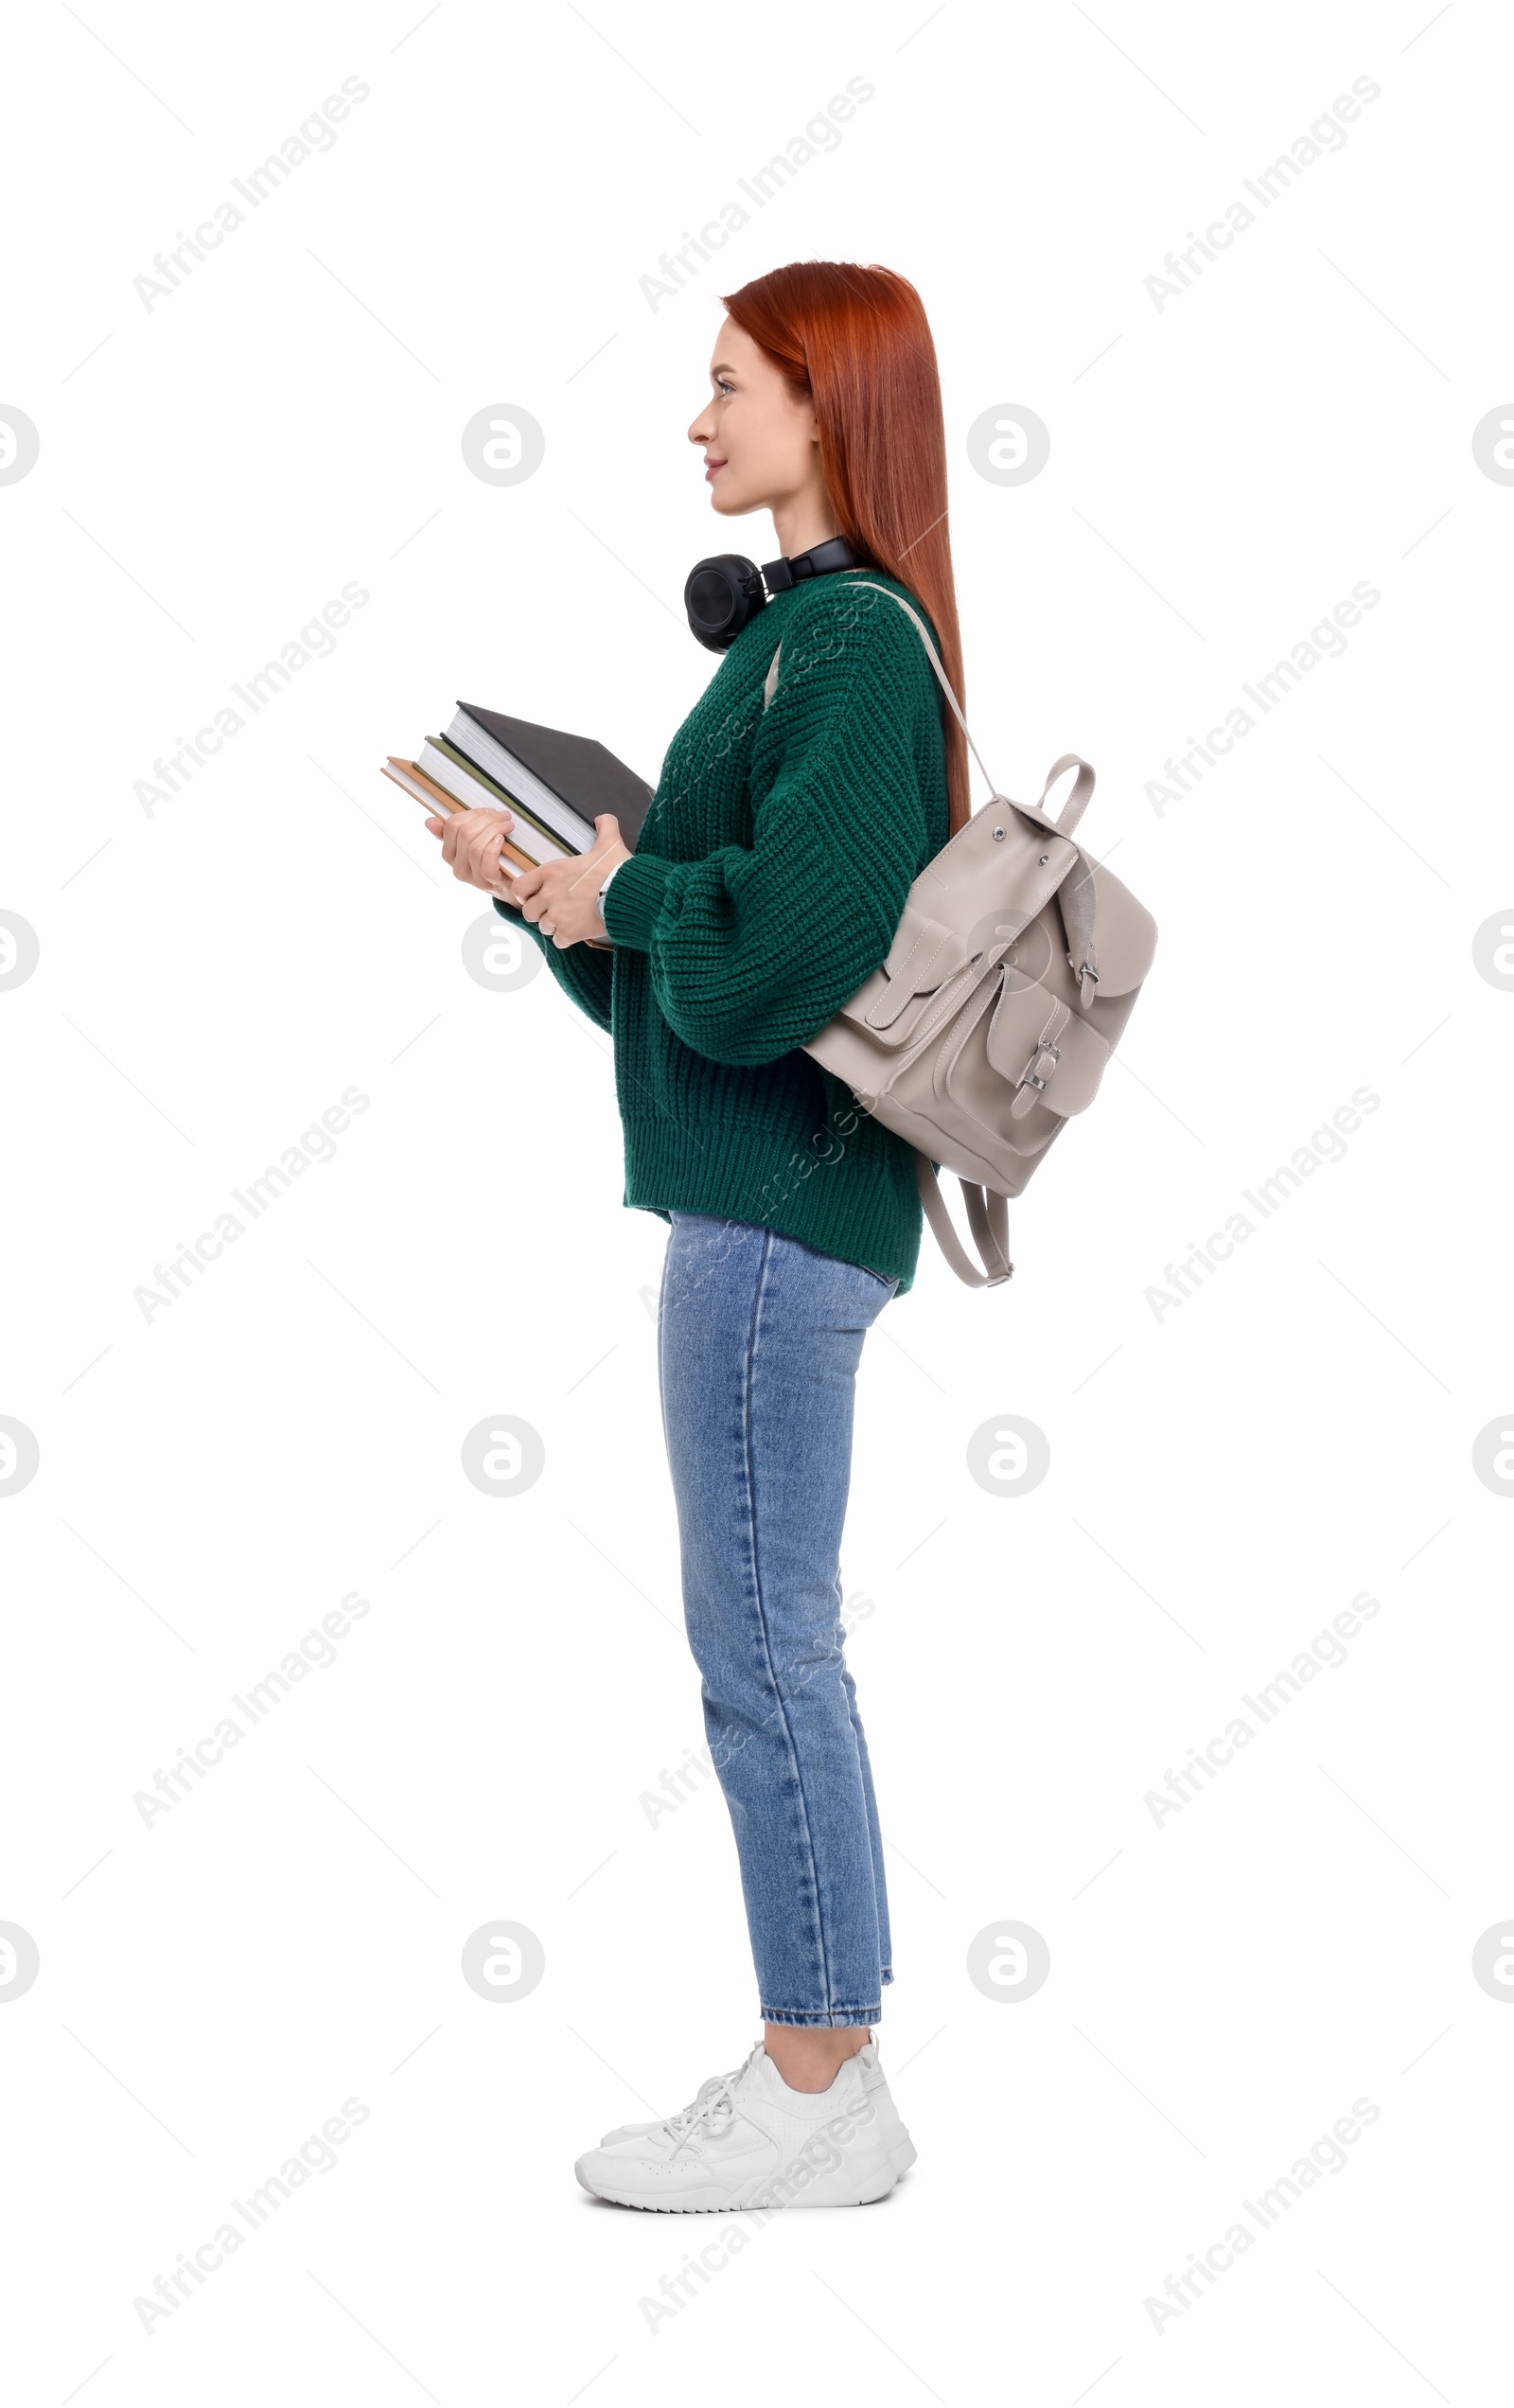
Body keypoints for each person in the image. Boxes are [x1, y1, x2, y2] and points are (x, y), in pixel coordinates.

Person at [426, 260, 971, 2210]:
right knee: (760, 1638)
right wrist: (553, 902)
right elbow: (696, 1001)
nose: (696, 417)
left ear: (829, 403)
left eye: (728, 382)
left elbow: (789, 955)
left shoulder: (849, 652)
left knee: (761, 1647)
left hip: (771, 1221)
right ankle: (828, 2066)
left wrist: (631, 890)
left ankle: (817, 2084)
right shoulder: (795, 647)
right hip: (746, 1201)